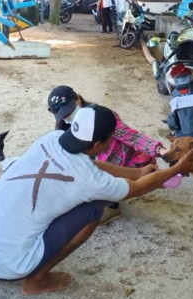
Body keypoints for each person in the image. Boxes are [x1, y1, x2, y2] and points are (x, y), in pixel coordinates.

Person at [0, 105, 193, 295]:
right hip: (10, 265)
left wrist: (136, 172)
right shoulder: (91, 181)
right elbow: (137, 190)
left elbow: (88, 164)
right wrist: (177, 168)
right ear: (97, 145)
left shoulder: (51, 139)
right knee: (94, 207)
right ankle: (37, 281)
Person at [47, 85, 171, 223]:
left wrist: (160, 150)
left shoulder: (101, 117)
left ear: (77, 98)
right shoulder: (64, 127)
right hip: (95, 166)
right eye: (64, 116)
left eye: (69, 112)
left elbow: (132, 136)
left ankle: (111, 205)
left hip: (117, 166)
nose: (68, 117)